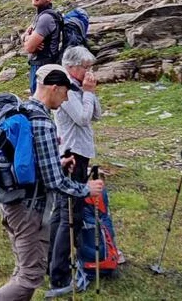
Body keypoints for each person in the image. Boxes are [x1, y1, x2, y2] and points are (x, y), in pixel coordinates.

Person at [0, 68, 105, 301]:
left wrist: (58, 163)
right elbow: (55, 182)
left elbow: (37, 164)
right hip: (28, 209)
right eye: (65, 93)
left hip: (13, 203)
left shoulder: (26, 110)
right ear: (54, 88)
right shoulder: (42, 122)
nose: (66, 99)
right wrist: (86, 189)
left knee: (23, 269)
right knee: (30, 276)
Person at [45, 49, 103, 298]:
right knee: (69, 215)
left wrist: (90, 94)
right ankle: (60, 274)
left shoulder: (78, 89)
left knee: (63, 213)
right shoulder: (65, 90)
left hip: (80, 153)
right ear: (72, 67)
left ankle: (54, 266)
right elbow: (81, 118)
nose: (88, 73)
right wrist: (88, 93)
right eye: (85, 68)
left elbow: (95, 115)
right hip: (72, 156)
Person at [23, 0, 62, 94]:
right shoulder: (40, 15)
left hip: (43, 67)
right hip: (41, 65)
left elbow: (29, 48)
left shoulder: (45, 18)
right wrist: (27, 37)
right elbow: (26, 35)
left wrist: (28, 41)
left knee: (40, 103)